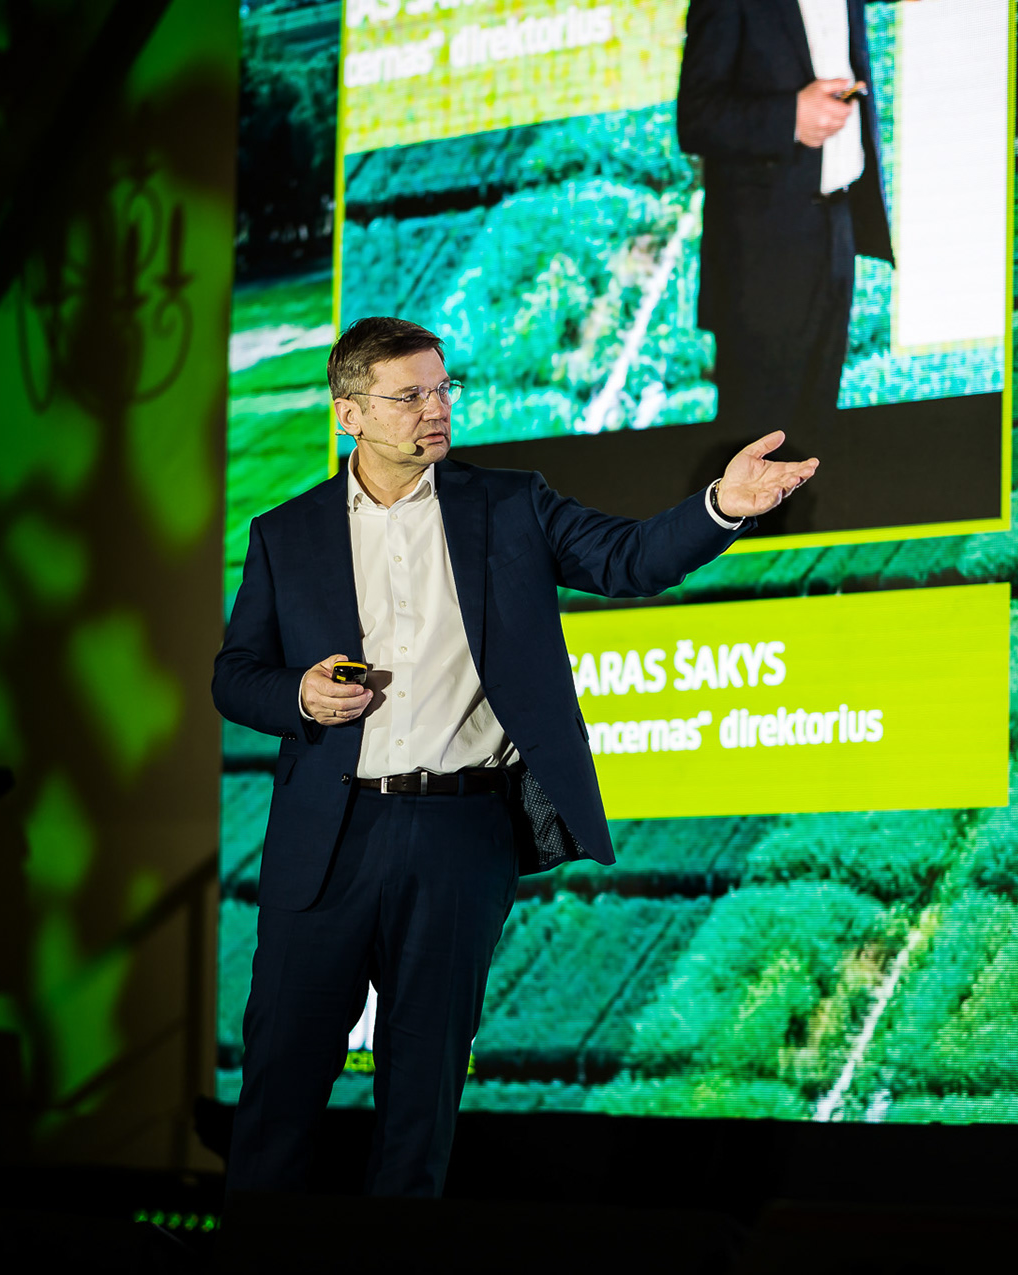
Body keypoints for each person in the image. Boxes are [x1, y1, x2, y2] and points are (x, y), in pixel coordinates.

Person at [213, 316, 817, 1195]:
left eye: (443, 389)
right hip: (330, 834)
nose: (436, 409)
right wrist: (298, 696)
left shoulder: (509, 504)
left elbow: (628, 560)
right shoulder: (286, 533)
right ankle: (250, 1266)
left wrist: (722, 506)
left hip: (460, 833)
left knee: (420, 1105)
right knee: (280, 1090)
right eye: (410, 395)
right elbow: (235, 676)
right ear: (350, 414)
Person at [676, 0, 900, 439]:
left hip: (837, 226)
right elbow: (696, 118)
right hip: (762, 248)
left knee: (813, 436)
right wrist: (790, 116)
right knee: (756, 440)